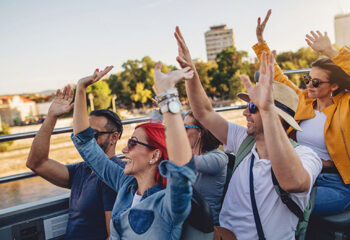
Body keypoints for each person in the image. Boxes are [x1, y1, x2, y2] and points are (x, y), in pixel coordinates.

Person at [174, 26, 322, 240]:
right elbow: (204, 112)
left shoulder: (306, 155)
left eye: (253, 107)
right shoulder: (244, 140)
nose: (244, 112)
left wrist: (268, 110)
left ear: (276, 116)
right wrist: (190, 72)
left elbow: (293, 182)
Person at [71, 64, 197, 239]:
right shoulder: (126, 184)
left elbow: (182, 169)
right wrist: (81, 89)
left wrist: (167, 95)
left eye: (132, 143)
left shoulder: (168, 203)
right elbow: (85, 143)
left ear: (155, 155)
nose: (123, 150)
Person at [254, 10, 350, 219]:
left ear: (334, 85)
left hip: (335, 184)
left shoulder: (346, 105)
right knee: (261, 191)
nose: (308, 85)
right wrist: (261, 43)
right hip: (300, 172)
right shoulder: (304, 101)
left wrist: (330, 50)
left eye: (316, 82)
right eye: (307, 78)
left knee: (282, 203)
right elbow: (277, 77)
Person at [26, 85, 125, 240]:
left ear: (113, 137)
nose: (86, 139)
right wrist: (52, 116)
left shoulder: (115, 176)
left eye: (93, 134)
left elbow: (112, 236)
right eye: (85, 133)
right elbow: (36, 163)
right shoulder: (82, 169)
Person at [184, 110, 228, 225]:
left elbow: (192, 162)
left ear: (200, 132)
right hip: (186, 220)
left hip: (206, 226)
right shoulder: (188, 154)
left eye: (185, 128)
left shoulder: (219, 157)